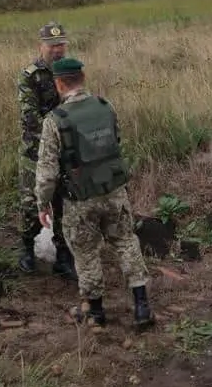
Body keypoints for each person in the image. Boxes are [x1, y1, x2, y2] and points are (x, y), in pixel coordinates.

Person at [34, 56, 154, 329]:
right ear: (83, 78)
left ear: (59, 84)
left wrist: (42, 204)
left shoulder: (55, 120)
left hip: (80, 199)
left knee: (86, 252)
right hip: (114, 191)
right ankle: (142, 306)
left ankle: (96, 312)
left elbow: (47, 171)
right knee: (125, 241)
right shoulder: (105, 106)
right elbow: (116, 142)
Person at [16, 22, 77, 279]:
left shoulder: (71, 73)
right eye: (52, 46)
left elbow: (79, 107)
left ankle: (63, 257)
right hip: (36, 153)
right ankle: (27, 250)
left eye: (61, 44)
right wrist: (59, 134)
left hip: (64, 154)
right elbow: (30, 119)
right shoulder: (30, 76)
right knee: (31, 204)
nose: (57, 50)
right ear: (41, 46)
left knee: (64, 205)